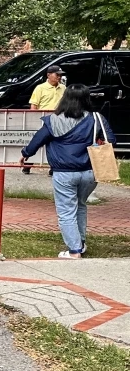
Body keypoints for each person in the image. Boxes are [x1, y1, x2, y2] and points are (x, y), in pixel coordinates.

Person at [20, 84, 115, 259]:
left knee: (66, 211)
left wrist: (26, 154)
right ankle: (81, 243)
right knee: (80, 205)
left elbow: (37, 141)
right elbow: (111, 140)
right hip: (90, 172)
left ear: (65, 98)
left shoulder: (53, 120)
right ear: (86, 98)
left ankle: (74, 251)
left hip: (64, 173)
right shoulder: (96, 118)